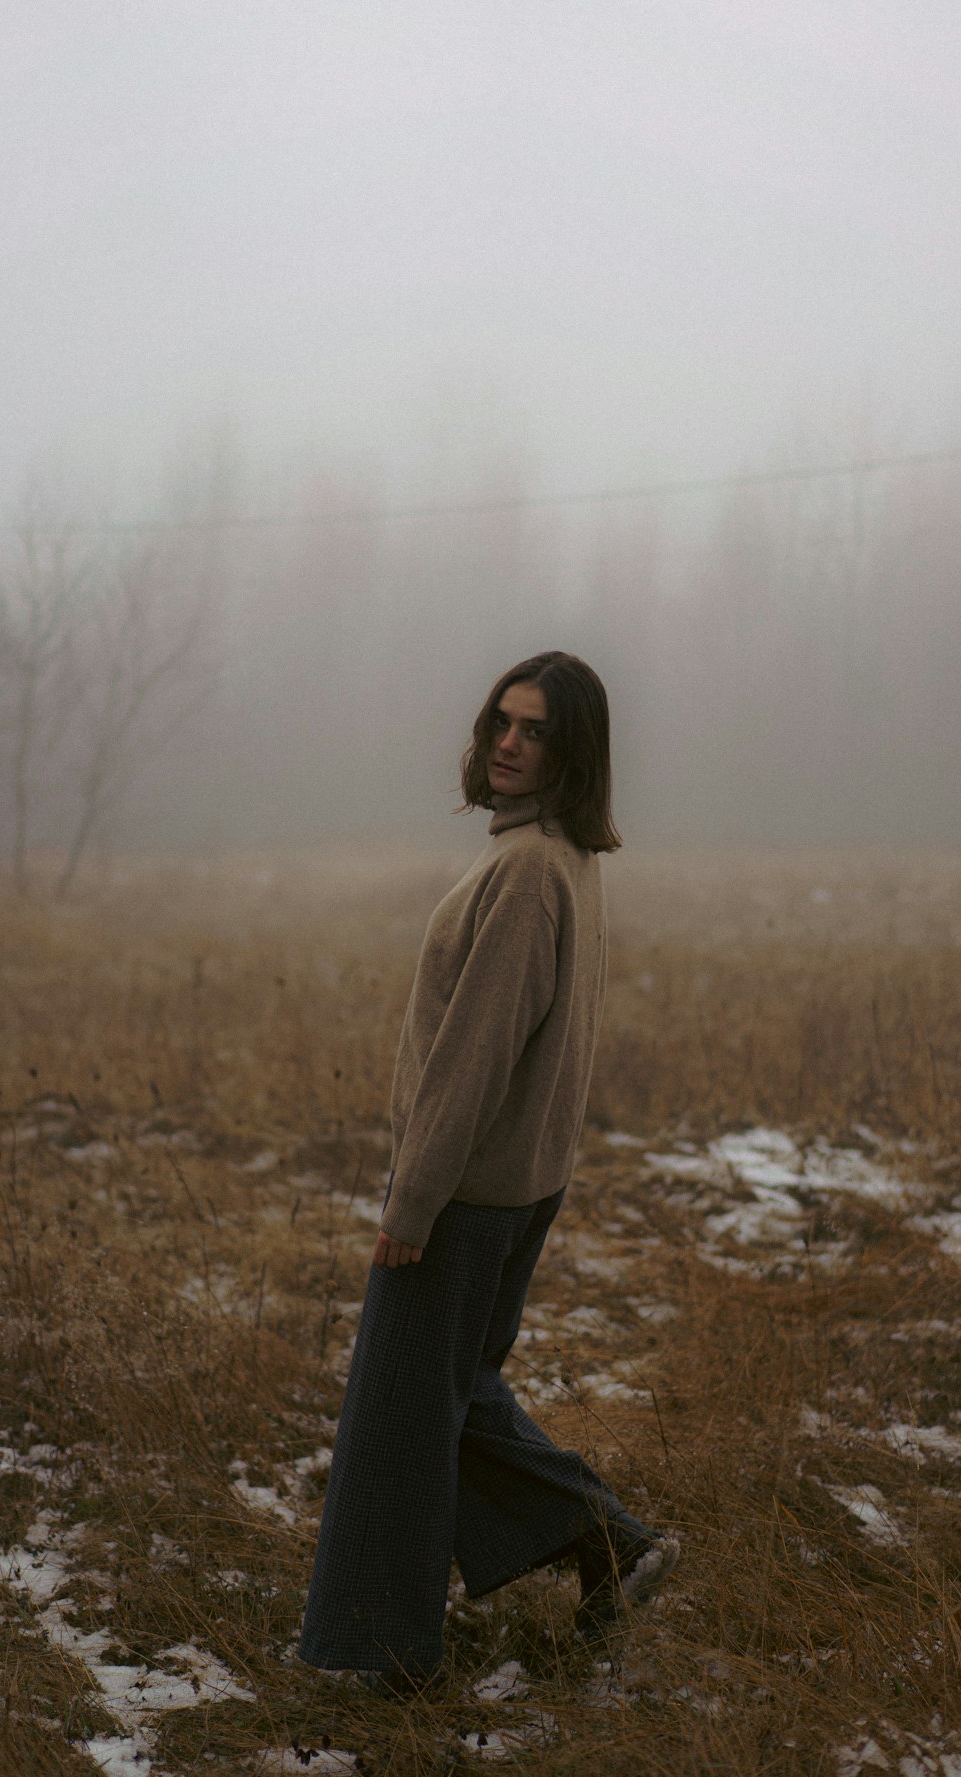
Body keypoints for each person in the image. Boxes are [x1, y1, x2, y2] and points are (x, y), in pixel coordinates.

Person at [297, 651, 678, 1693]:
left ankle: (378, 1652)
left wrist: (412, 1201)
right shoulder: (561, 858)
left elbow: (474, 1056)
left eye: (537, 730)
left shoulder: (524, 875)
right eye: (502, 722)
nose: (509, 743)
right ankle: (612, 1545)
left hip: (465, 1195)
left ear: (575, 750)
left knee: (398, 1424)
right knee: (454, 1396)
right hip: (518, 1183)